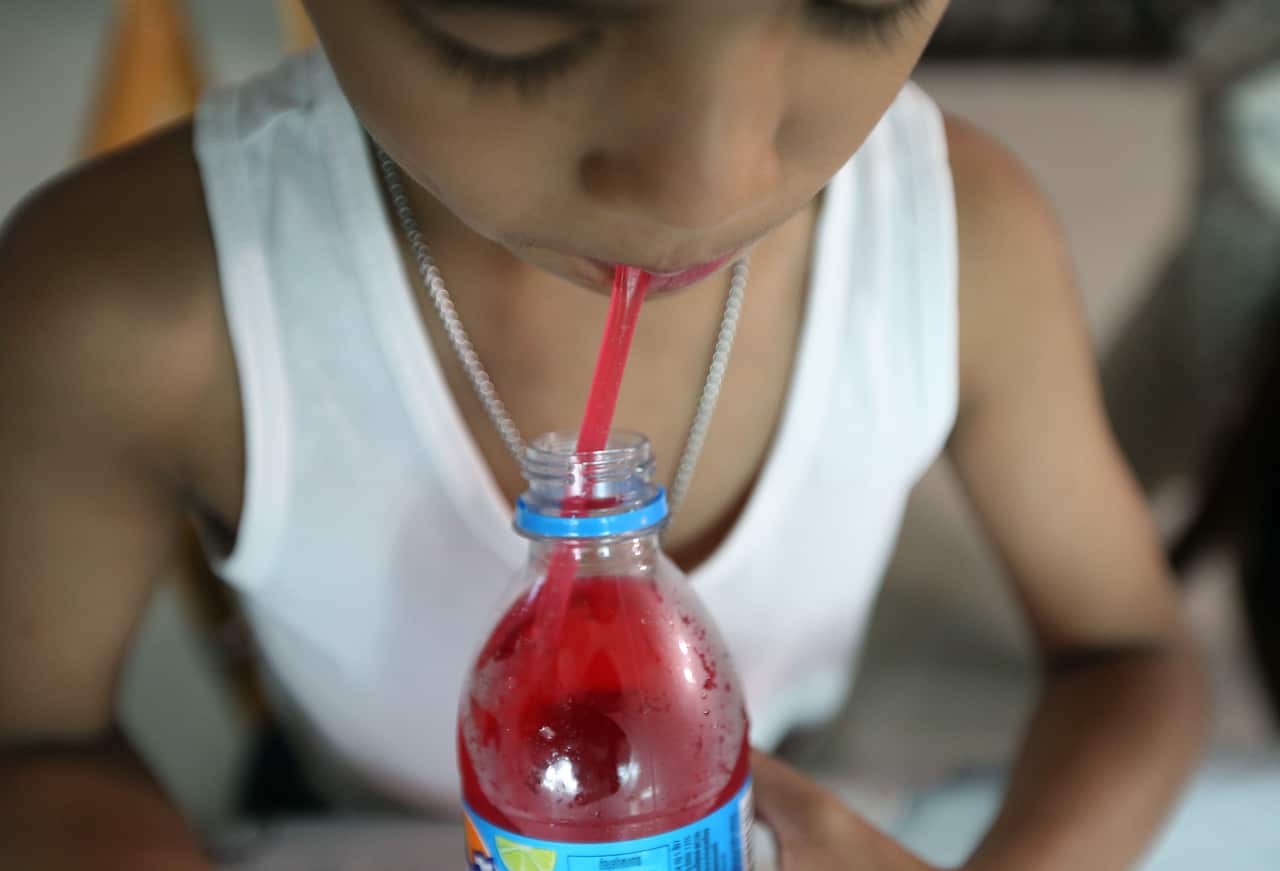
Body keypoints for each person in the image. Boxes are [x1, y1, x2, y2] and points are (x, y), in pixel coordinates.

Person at [0, 1, 1208, 868]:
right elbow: (34, 740)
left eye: (856, 1)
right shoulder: (128, 305)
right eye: (514, 21)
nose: (704, 184)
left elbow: (1133, 659)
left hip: (761, 791)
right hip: (336, 807)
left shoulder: (957, 242)